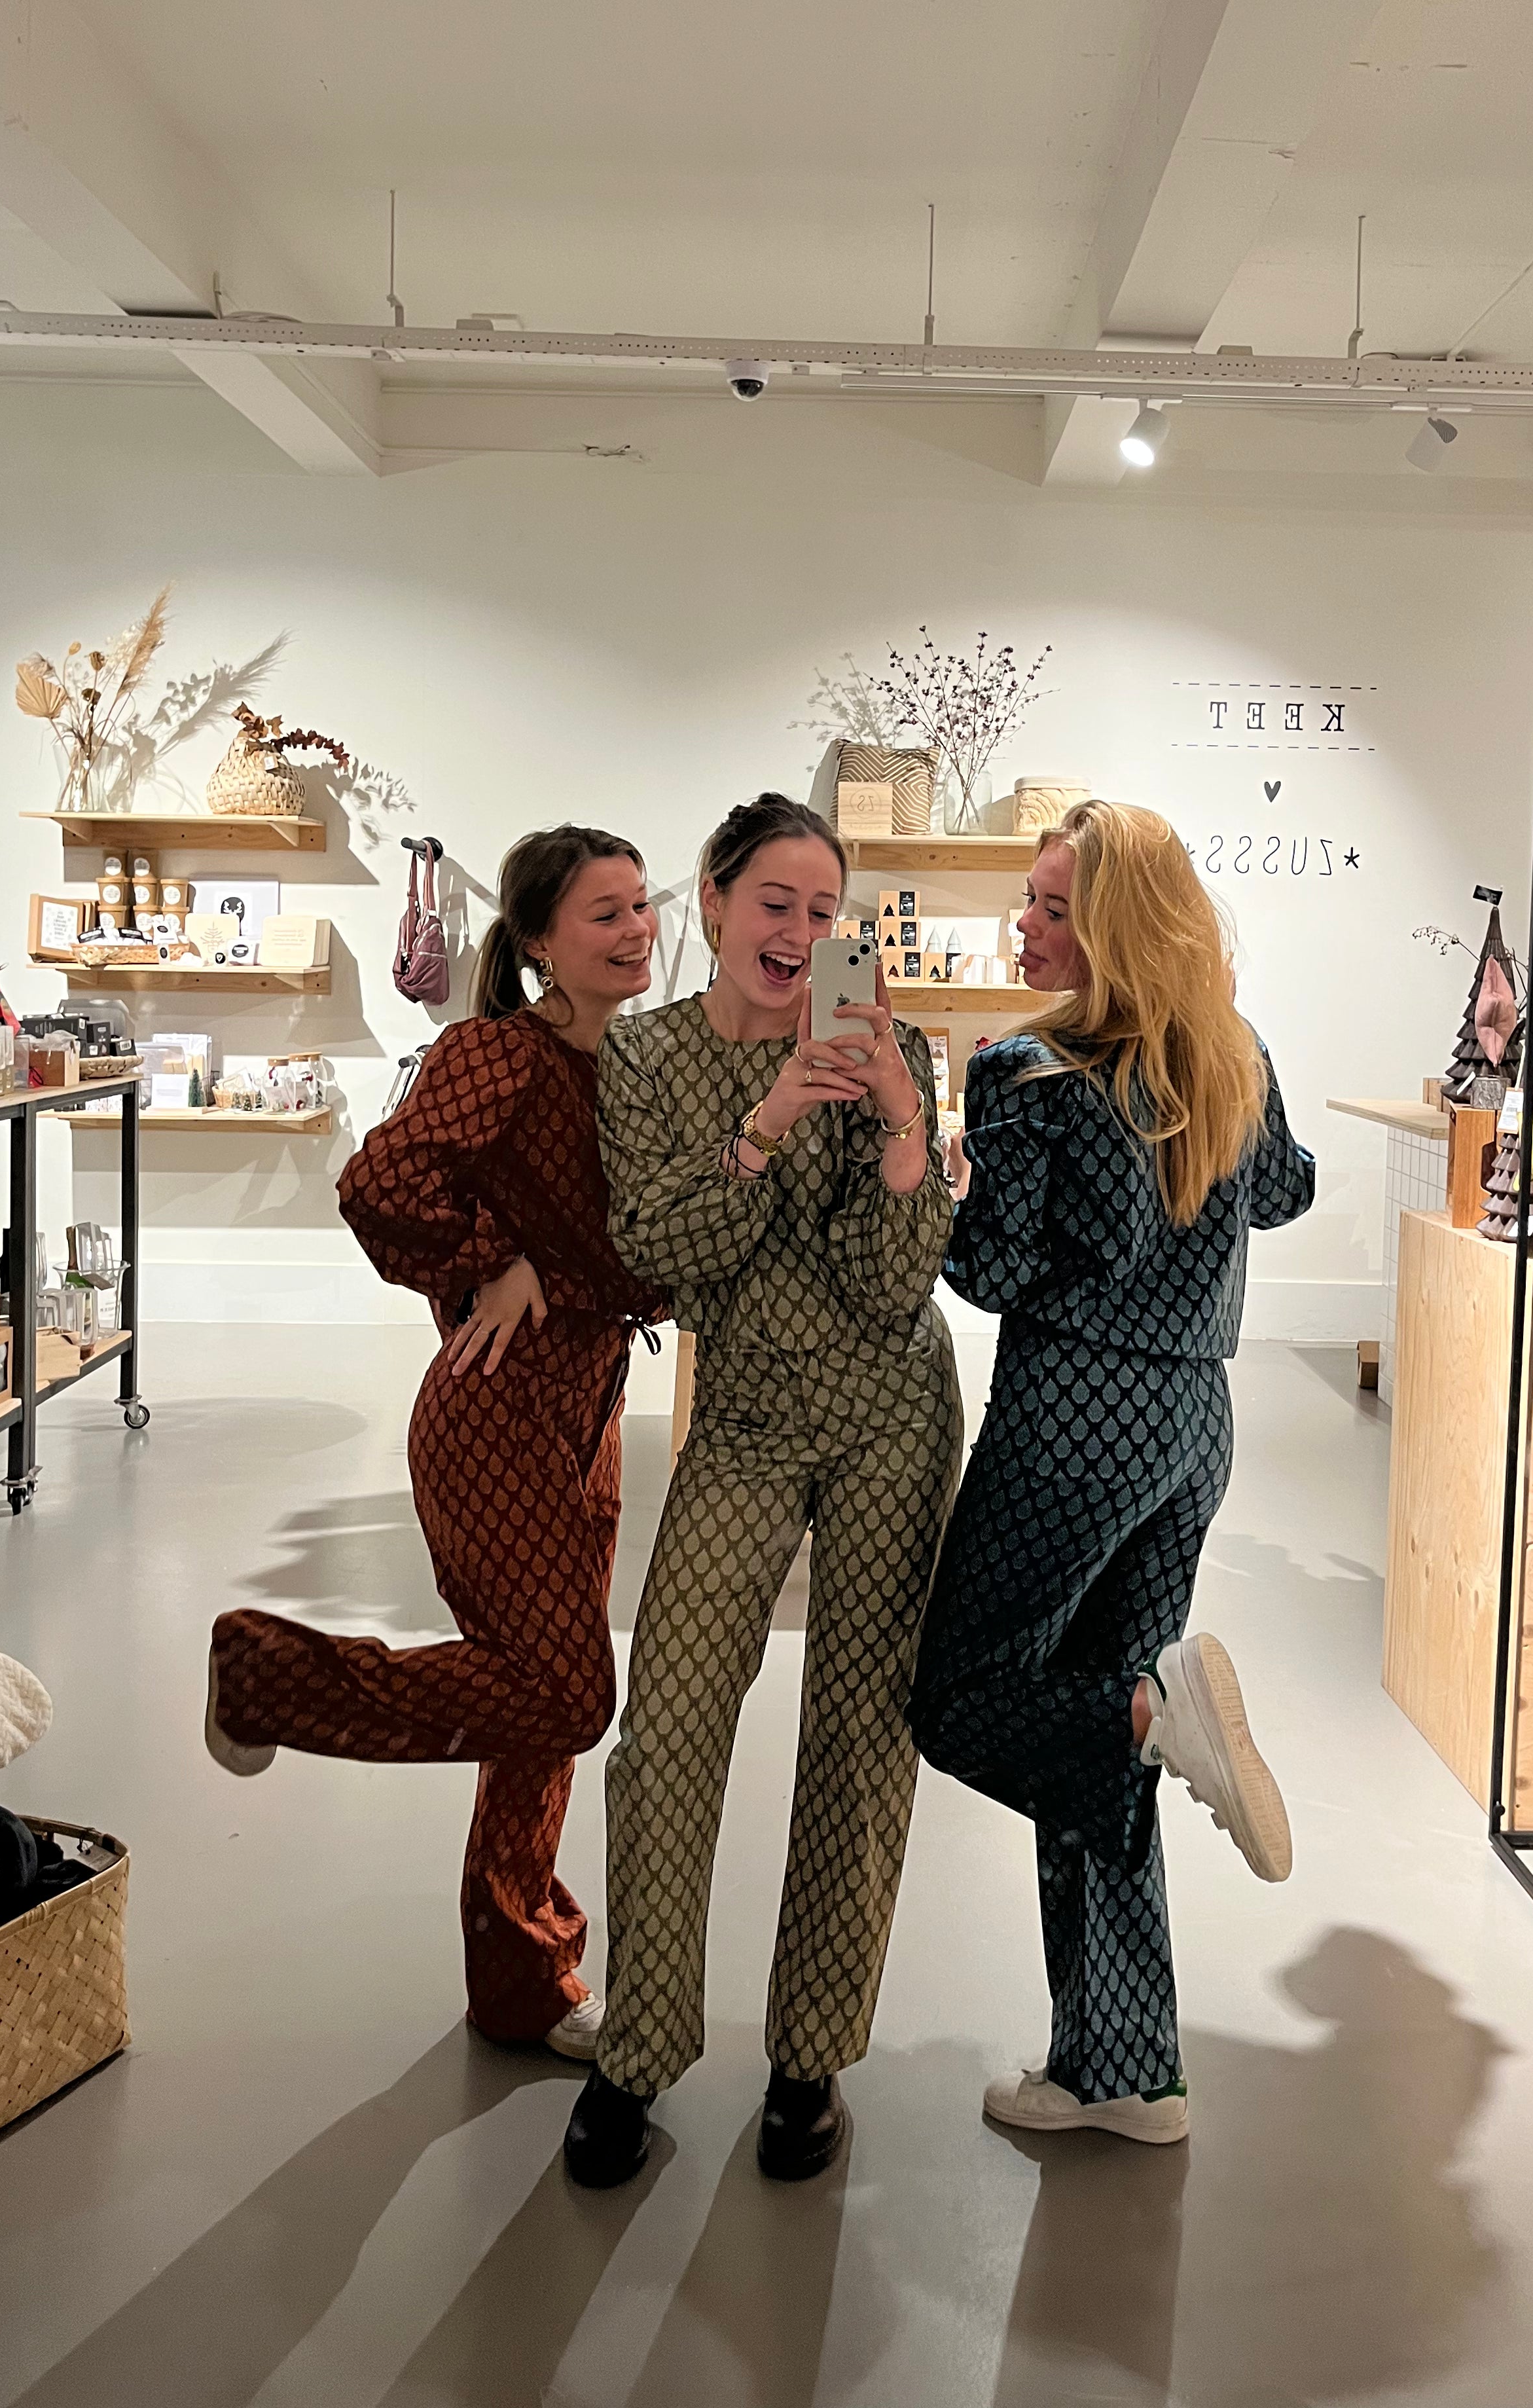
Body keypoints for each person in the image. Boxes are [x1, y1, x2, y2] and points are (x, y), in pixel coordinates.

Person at [205, 826, 667, 2058]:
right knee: (567, 1694)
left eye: (641, 906)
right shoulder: (496, 1053)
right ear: (539, 942)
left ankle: (523, 1982)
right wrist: (487, 1265)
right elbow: (378, 1186)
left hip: (585, 1411)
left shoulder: (637, 1065)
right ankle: (268, 1673)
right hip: (495, 1414)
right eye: (605, 914)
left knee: (535, 1715)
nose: (635, 932)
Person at [562, 791, 962, 2188]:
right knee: (667, 1726)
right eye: (775, 903)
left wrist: (901, 1122)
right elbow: (666, 1249)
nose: (799, 933)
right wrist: (773, 1116)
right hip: (742, 1418)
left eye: (824, 911)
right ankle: (638, 2049)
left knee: (861, 1733)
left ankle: (811, 2059)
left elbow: (889, 1283)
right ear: (718, 900)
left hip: (891, 1414)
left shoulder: (889, 1048)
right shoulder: (650, 1054)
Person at [910, 800, 1314, 2145]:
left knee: (964, 1698)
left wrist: (944, 1176)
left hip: (1072, 1419)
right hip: (1194, 1425)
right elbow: (1286, 1191)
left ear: (1114, 929)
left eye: (1051, 906)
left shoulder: (1024, 1073)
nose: (1023, 924)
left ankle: (1154, 1713)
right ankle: (1126, 2071)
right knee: (1088, 1731)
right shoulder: (1232, 1054)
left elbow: (990, 1273)